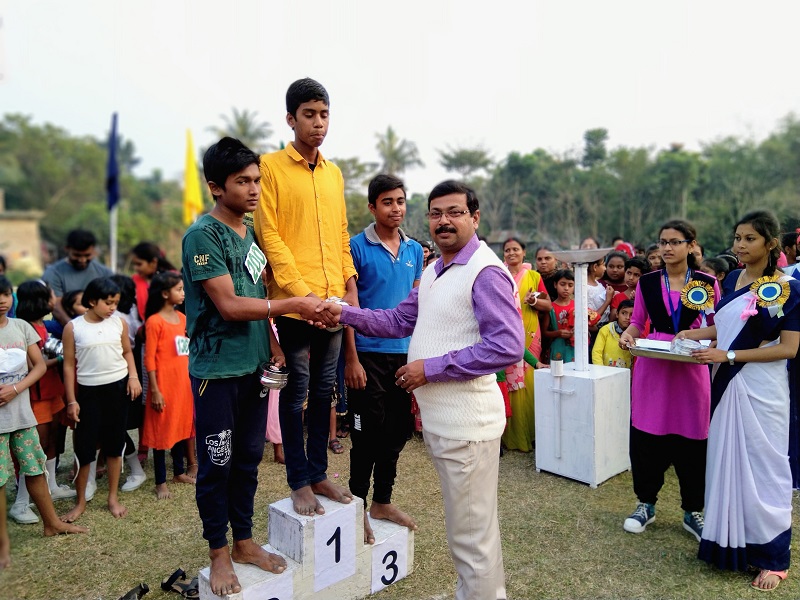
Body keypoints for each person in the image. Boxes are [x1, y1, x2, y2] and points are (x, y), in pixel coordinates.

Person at [317, 180, 524, 600]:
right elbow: (396, 321)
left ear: (475, 218)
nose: (444, 221)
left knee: (472, 534)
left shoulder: (484, 272)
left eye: (455, 212)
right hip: (446, 424)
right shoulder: (434, 271)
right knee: (467, 527)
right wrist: (343, 312)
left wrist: (430, 369)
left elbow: (506, 346)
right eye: (436, 213)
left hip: (468, 427)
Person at [183, 137, 323, 597]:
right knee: (217, 464)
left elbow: (255, 294)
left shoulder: (251, 234)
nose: (254, 189)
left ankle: (243, 542)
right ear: (215, 187)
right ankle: (218, 553)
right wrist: (294, 304)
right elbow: (229, 304)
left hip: (255, 367)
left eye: (257, 180)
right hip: (216, 371)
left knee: (248, 459)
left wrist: (273, 343)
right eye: (242, 181)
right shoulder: (203, 236)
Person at [679, 211, 799, 591]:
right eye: (737, 238)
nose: (740, 245)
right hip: (726, 383)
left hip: (763, 388)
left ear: (770, 243)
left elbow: (789, 347)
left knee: (766, 469)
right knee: (725, 461)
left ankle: (773, 559)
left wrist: (728, 356)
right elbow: (729, 326)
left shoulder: (788, 287)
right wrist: (694, 334)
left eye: (749, 239)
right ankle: (728, 545)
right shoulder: (731, 279)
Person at [254, 78, 357, 517]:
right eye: (309, 115)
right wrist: (304, 296)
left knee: (324, 392)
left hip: (332, 305)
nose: (318, 123)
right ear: (290, 119)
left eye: (324, 114)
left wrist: (345, 286)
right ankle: (298, 480)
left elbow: (340, 234)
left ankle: (318, 473)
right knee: (296, 395)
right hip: (295, 306)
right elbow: (269, 236)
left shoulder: (334, 173)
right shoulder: (270, 167)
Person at [618, 219, 720, 542]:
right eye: (663, 242)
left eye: (675, 242)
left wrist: (698, 338)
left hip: (691, 365)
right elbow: (637, 322)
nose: (667, 248)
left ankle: (693, 511)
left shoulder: (705, 282)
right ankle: (645, 504)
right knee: (647, 435)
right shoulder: (648, 283)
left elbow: (717, 325)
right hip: (654, 366)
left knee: (694, 438)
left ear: (691, 245)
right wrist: (628, 335)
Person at [343, 174, 423, 544]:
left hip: (403, 356)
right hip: (367, 357)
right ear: (372, 207)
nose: (395, 208)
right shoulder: (355, 247)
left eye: (400, 201)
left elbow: (417, 305)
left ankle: (382, 502)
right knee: (366, 436)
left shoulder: (415, 250)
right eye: (387, 202)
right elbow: (349, 307)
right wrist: (351, 359)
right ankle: (356, 508)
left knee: (396, 432)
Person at [0, 275, 86, 560]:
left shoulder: (22, 327)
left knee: (35, 464)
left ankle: (52, 523)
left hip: (24, 412)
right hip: (8, 416)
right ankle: (5, 539)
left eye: (5, 294)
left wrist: (15, 389)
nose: (2, 300)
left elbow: (36, 366)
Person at [60, 277, 141, 523]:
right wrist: (72, 400)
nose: (112, 307)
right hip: (88, 393)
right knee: (85, 449)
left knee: (115, 446)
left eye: (115, 302)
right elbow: (68, 365)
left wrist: (133, 377)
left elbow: (127, 351)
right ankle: (80, 502)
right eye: (108, 302)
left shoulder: (119, 323)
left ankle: (112, 498)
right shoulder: (73, 328)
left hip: (118, 389)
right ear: (92, 301)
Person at [12, 280, 74, 521]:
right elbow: (31, 365)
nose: (54, 300)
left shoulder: (43, 325)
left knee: (52, 441)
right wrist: (60, 359)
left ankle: (51, 486)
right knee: (34, 446)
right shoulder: (24, 327)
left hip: (52, 390)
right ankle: (21, 502)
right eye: (50, 296)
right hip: (35, 394)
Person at [141, 272, 195, 499]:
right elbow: (149, 359)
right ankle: (160, 481)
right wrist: (155, 390)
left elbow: (185, 350)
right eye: (179, 289)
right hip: (163, 385)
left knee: (180, 425)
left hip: (183, 383)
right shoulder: (154, 322)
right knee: (161, 432)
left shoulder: (182, 318)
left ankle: (179, 473)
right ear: (165, 294)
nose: (183, 293)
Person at [502, 237, 551, 452]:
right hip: (506, 334)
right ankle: (511, 435)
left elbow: (548, 305)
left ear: (524, 252)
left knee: (529, 382)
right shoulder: (499, 274)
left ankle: (530, 433)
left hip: (530, 334)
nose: (511, 253)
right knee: (510, 383)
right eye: (507, 250)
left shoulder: (534, 276)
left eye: (515, 249)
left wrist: (533, 301)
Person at [43, 229, 114, 326]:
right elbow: (56, 306)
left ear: (93, 250)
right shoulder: (53, 273)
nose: (82, 260)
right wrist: (73, 328)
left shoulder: (105, 273)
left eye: (87, 255)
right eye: (77, 255)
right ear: (67, 249)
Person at [130, 242, 177, 322]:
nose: (135, 268)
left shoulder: (173, 279)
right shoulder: (135, 280)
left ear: (153, 262)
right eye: (134, 264)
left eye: (139, 264)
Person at [592, 299, 634, 368]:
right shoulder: (606, 330)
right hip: (606, 372)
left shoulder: (635, 333)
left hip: (626, 372)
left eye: (631, 314)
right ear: (617, 314)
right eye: (624, 313)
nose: (627, 318)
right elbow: (596, 353)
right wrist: (600, 371)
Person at [609, 257, 648, 322]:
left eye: (636, 275)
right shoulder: (618, 297)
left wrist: (638, 301)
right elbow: (612, 319)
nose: (631, 278)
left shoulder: (648, 296)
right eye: (629, 273)